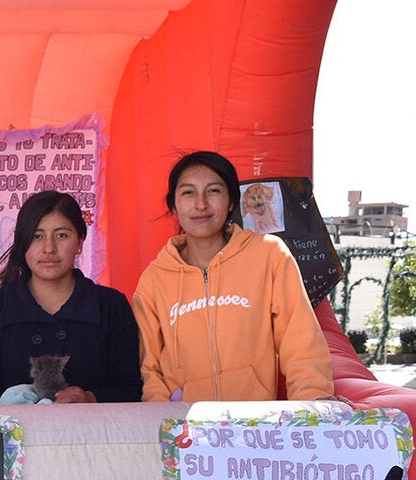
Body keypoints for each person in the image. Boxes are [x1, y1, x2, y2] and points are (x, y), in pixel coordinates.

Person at [132, 151, 333, 402]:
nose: (200, 204)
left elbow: (301, 340)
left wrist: (313, 403)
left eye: (213, 191)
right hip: (186, 431)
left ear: (230, 201)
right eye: (188, 192)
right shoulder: (154, 280)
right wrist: (163, 420)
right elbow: (147, 367)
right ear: (173, 204)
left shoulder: (268, 254)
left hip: (253, 427)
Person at [0, 190, 142, 405]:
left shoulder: (111, 306)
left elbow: (130, 387)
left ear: (81, 241)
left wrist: (90, 398)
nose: (49, 248)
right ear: (22, 243)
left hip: (93, 435)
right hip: (15, 436)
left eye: (62, 235)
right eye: (37, 236)